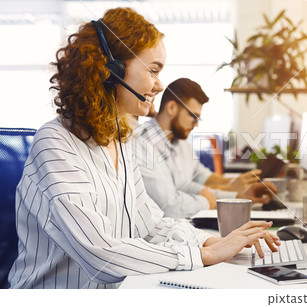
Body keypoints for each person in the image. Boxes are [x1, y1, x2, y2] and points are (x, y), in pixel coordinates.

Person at [8, 7, 279, 289]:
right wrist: (203, 254)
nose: (160, 85)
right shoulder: (55, 144)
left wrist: (213, 241)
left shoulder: (120, 141)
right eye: (153, 70)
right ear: (111, 70)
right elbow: (100, 254)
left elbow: (149, 223)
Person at [134, 78, 277, 219]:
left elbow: (199, 178)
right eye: (194, 117)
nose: (196, 124)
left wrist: (237, 194)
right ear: (171, 108)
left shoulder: (182, 145)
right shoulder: (143, 143)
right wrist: (210, 199)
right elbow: (170, 207)